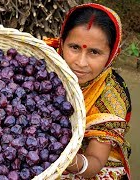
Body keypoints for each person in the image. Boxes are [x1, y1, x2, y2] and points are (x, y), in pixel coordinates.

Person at [45, 3, 132, 179]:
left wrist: (69, 160)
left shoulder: (110, 96)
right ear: (62, 42)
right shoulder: (47, 62)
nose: (81, 62)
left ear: (112, 54)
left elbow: (95, 162)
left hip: (86, 158)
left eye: (94, 52)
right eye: (74, 47)